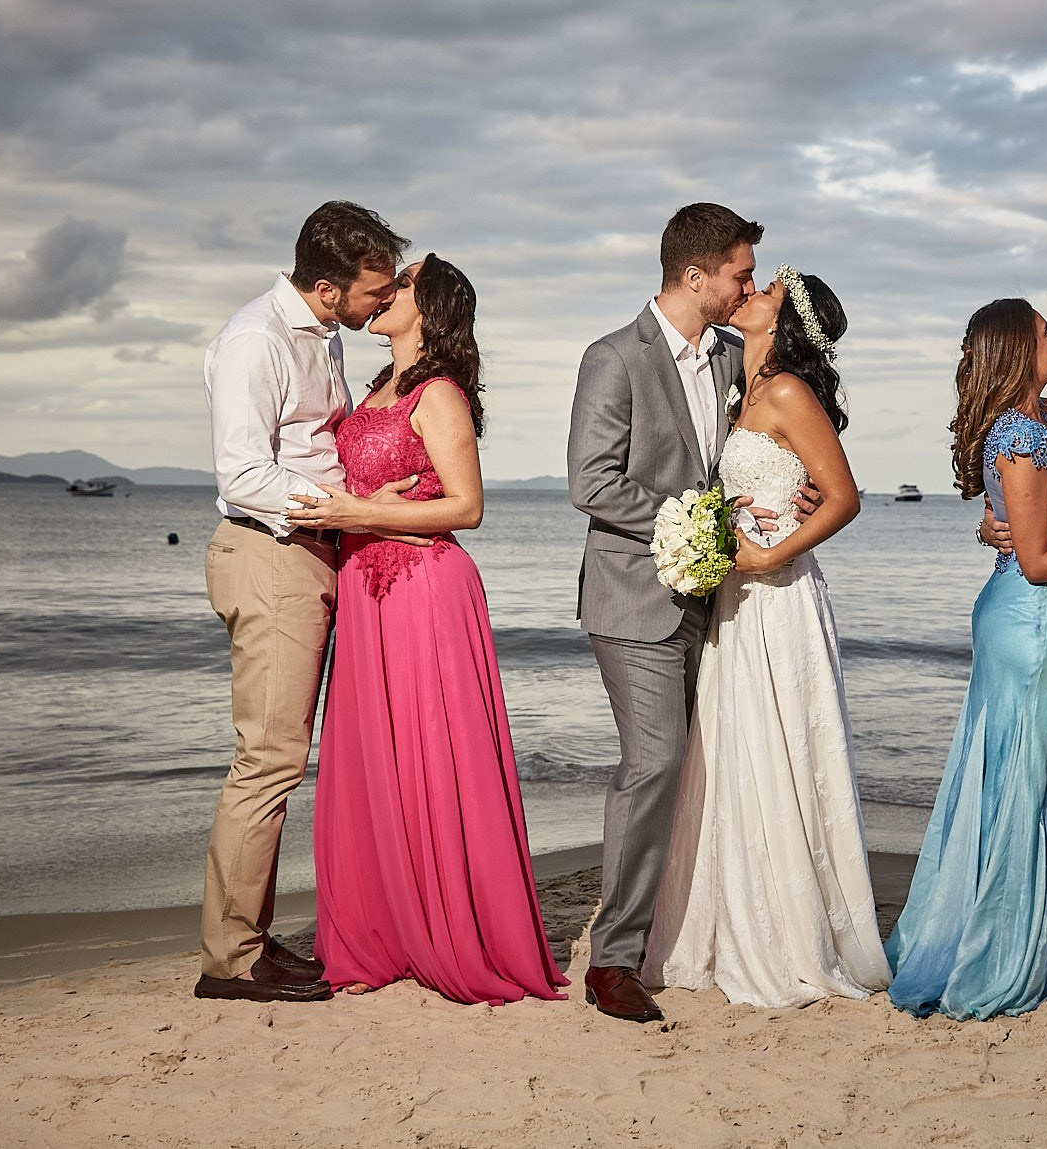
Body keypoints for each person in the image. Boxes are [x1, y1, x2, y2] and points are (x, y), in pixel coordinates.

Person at [285, 255, 566, 1005]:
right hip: (368, 593)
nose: (382, 292)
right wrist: (362, 502)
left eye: (399, 283)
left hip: (424, 592)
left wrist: (360, 512)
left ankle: (451, 930)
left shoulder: (440, 393)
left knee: (433, 758)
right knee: (377, 760)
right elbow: (361, 487)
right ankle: (386, 927)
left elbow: (466, 507)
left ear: (431, 306)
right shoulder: (373, 387)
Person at [643, 267, 891, 1008]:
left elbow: (843, 497)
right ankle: (728, 915)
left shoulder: (786, 391)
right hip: (735, 602)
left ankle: (790, 931)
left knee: (781, 749)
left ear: (787, 320)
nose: (752, 290)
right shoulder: (740, 385)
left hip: (776, 597)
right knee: (733, 751)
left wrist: (767, 554)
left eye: (770, 288)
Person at [887, 299, 1047, 1019]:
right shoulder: (1021, 434)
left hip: (1025, 612)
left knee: (1028, 772)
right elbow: (1039, 556)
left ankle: (1031, 935)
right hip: (1029, 614)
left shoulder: (1037, 422)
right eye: (1044, 332)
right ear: (1020, 352)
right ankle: (1004, 949)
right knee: (1025, 775)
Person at [194, 201, 407, 1003]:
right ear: (327, 286)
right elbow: (242, 474)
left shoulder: (320, 336)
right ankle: (231, 960)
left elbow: (310, 444)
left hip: (308, 552)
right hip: (271, 554)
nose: (378, 303)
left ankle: (247, 935)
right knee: (270, 758)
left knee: (282, 756)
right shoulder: (258, 339)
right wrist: (346, 506)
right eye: (370, 291)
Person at [567, 202, 773, 1024]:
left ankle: (679, 931)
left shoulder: (732, 357)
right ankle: (613, 961)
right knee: (653, 763)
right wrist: (697, 518)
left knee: (701, 766)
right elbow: (593, 482)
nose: (747, 286)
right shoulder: (613, 357)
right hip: (631, 596)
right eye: (739, 274)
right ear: (696, 276)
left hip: (716, 601)